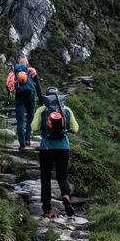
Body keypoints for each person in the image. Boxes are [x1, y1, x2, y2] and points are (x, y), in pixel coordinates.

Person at [30, 87, 79, 218]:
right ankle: (66, 195)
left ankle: (47, 210)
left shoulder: (42, 110)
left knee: (45, 179)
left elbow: (34, 128)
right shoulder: (66, 110)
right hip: (63, 147)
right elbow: (75, 128)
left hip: (46, 148)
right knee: (62, 176)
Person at [6, 58, 41, 150]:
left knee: (20, 120)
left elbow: (8, 86)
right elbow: (38, 87)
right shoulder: (32, 72)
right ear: (27, 64)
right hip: (30, 96)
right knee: (30, 117)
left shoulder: (13, 73)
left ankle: (22, 144)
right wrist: (41, 100)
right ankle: (28, 139)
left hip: (19, 97)